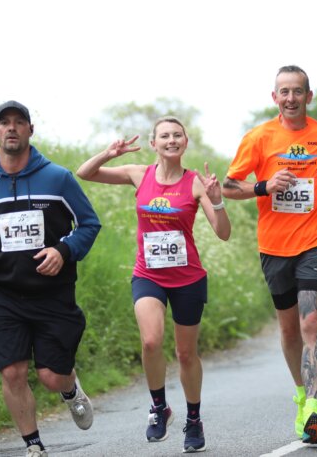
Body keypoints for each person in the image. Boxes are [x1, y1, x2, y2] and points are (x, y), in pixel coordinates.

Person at [0, 101, 100, 457]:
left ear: (30, 131)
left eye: (19, 122)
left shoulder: (58, 179)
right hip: (4, 296)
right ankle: (34, 446)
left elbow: (89, 224)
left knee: (52, 377)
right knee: (12, 372)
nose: (12, 128)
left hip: (53, 294)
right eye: (4, 123)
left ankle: (70, 390)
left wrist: (63, 251)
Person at [76, 116, 230, 453]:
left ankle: (193, 419)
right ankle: (159, 408)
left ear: (185, 142)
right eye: (164, 136)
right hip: (148, 274)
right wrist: (108, 153)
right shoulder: (138, 174)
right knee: (150, 341)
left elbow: (223, 232)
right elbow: (84, 173)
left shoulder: (195, 183)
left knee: (186, 353)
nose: (171, 140)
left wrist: (217, 199)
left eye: (177, 135)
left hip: (188, 277)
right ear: (154, 143)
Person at [221, 65, 317, 444]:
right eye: (284, 91)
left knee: (311, 323)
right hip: (274, 247)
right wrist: (264, 185)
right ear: (275, 97)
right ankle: (300, 394)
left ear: (309, 96)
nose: (291, 98)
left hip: (316, 242)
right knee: (288, 329)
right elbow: (231, 186)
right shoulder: (259, 137)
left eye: (298, 91)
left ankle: (313, 408)